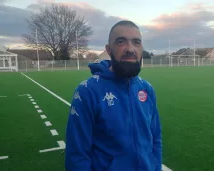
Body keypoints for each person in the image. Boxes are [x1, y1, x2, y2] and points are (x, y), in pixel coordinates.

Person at [65, 20, 162, 171]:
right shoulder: (88, 91)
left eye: (136, 42)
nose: (130, 49)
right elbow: (77, 155)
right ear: (109, 49)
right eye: (121, 41)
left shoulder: (147, 89)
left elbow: (155, 139)